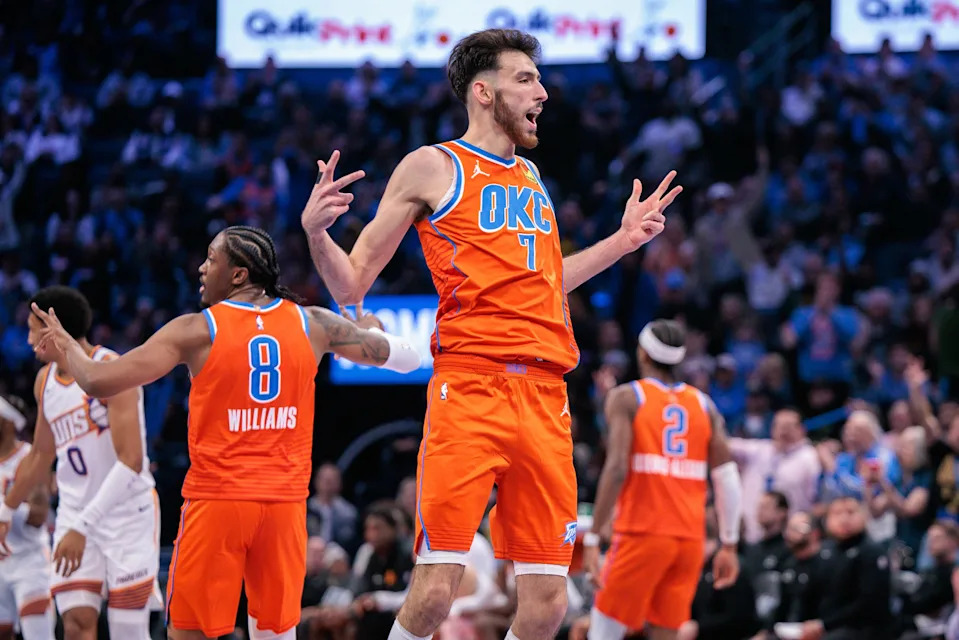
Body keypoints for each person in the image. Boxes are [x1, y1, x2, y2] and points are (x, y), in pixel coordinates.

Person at [301, 29, 681, 640]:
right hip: (471, 389)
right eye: (525, 79)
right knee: (434, 595)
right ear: (483, 92)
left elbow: (550, 281)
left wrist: (622, 241)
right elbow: (352, 281)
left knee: (549, 605)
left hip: (546, 396)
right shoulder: (433, 165)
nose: (543, 92)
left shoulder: (530, 174)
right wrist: (317, 234)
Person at [28, 226, 421, 640]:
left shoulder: (197, 329)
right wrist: (370, 328)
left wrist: (66, 344)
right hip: (283, 507)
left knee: (189, 634)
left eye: (211, 259)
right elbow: (408, 358)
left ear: (238, 274)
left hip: (219, 500)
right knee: (275, 634)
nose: (201, 268)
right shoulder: (312, 322)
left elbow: (96, 380)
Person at [0, 286, 160, 640]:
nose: (29, 341)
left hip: (125, 514)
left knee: (127, 630)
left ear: (53, 327)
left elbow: (132, 461)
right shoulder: (45, 382)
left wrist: (83, 526)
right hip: (75, 510)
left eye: (33, 330)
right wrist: (6, 511)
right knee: (75, 624)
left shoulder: (113, 369)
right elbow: (41, 455)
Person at [582, 319, 744, 640]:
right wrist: (729, 543)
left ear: (643, 353)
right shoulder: (704, 404)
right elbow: (727, 477)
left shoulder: (627, 397)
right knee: (666, 633)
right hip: (689, 539)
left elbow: (616, 468)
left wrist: (593, 537)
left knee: (603, 631)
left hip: (641, 532)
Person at [0, 394, 55, 640]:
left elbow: (38, 515)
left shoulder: (31, 458)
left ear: (9, 422)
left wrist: (5, 509)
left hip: (28, 562)